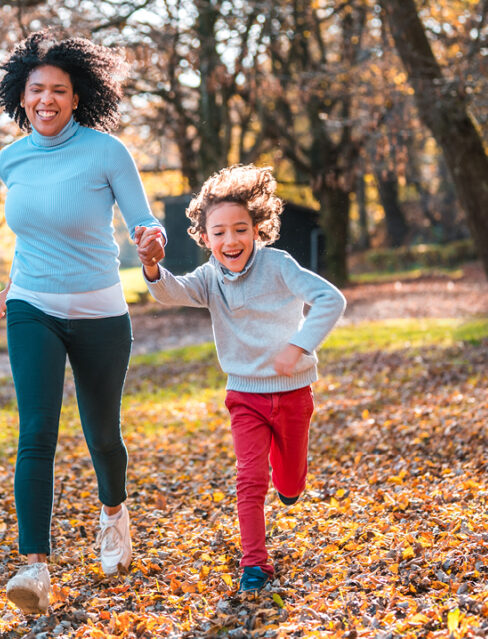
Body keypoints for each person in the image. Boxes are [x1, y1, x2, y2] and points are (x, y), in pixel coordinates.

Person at [0, 30, 166, 615]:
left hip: (99, 310)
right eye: (36, 89)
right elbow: (33, 237)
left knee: (102, 435)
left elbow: (143, 219)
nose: (47, 100)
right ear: (21, 95)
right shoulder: (9, 160)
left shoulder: (107, 152)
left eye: (58, 90)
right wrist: (9, 288)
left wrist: (151, 241)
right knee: (36, 432)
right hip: (31, 307)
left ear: (77, 96)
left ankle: (114, 516)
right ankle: (34, 566)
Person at [136, 164, 346, 593]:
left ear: (257, 229)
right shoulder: (210, 278)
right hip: (244, 396)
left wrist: (300, 345)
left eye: (239, 229)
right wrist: (153, 269)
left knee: (289, 480)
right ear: (204, 237)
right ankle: (255, 565)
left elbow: (330, 299)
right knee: (249, 478)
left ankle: (291, 482)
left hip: (293, 393)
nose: (230, 240)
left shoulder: (279, 265)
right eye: (219, 232)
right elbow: (171, 291)